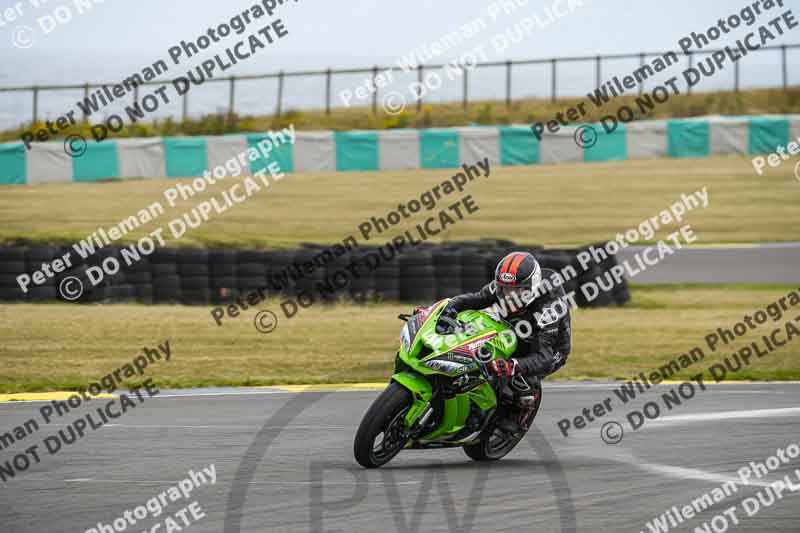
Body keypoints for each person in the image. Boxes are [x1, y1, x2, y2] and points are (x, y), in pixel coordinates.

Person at [439, 251, 572, 431]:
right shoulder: (502, 287)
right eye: (504, 289)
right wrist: (448, 307)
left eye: (516, 291)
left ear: (531, 288)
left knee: (516, 374)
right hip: (515, 326)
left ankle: (519, 412)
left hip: (549, 347)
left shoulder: (548, 309)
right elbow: (475, 299)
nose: (508, 295)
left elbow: (544, 356)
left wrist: (513, 365)